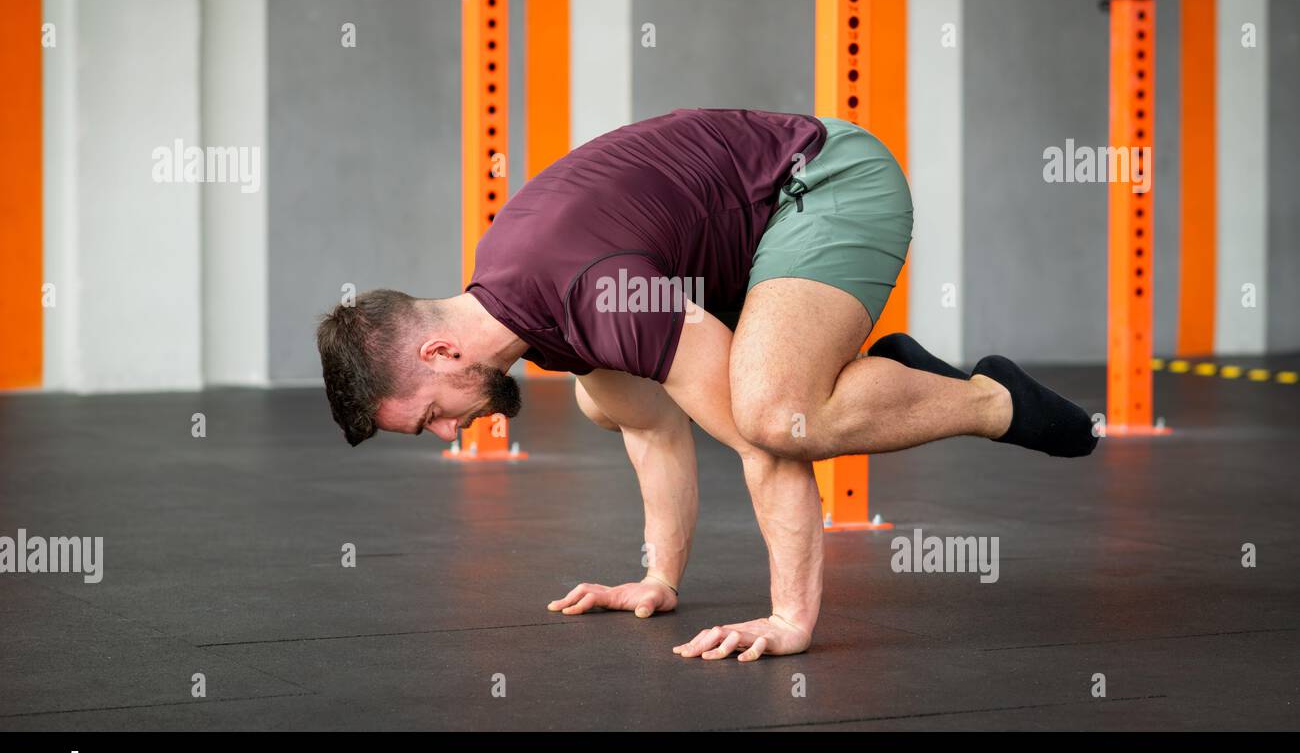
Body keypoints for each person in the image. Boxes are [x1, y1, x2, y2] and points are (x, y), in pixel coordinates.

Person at [316, 108, 1097, 662]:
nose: (451, 435)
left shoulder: (588, 293)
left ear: (442, 353)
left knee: (777, 414)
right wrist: (659, 577)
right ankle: (895, 381)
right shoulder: (530, 309)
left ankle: (992, 400)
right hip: (734, 244)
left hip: (821, 178)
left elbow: (770, 449)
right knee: (610, 400)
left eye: (429, 421)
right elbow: (654, 430)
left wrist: (790, 619)